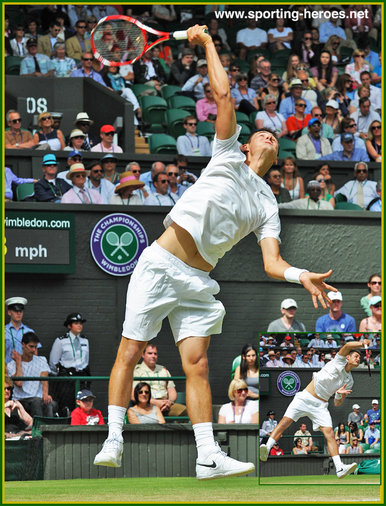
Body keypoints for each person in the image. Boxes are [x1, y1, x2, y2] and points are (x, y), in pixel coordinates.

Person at [93, 24, 338, 480]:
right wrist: (206, 42)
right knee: (130, 350)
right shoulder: (226, 154)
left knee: (199, 363)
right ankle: (113, 438)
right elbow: (224, 98)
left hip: (198, 282)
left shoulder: (268, 203)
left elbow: (271, 262)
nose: (269, 136)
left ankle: (207, 455)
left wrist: (300, 275)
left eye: (274, 137)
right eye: (261, 133)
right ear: (244, 144)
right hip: (160, 265)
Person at [260, 338, 370, 478]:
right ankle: (267, 448)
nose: (358, 359)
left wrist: (338, 395)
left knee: (329, 432)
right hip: (305, 397)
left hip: (321, 405)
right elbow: (348, 344)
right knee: (285, 422)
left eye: (360, 358)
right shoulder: (338, 360)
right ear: (347, 357)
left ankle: (339, 468)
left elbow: (337, 404)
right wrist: (363, 343)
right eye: (356, 356)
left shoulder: (349, 381)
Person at [49, 313, 91, 416]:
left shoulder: (85, 340)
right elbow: (53, 362)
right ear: (69, 326)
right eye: (76, 323)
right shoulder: (61, 341)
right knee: (67, 404)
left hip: (82, 377)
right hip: (67, 378)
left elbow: (86, 360)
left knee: (83, 403)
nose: (79, 325)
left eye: (81, 323)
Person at [7, 332, 57, 417]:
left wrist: (45, 394)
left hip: (38, 398)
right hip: (20, 399)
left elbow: (44, 377)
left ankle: (49, 429)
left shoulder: (41, 360)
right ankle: (37, 428)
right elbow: (19, 383)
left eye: (35, 347)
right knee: (37, 402)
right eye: (31, 346)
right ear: (23, 344)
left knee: (49, 403)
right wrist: (18, 362)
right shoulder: (11, 364)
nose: (34, 350)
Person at [132, 344, 187, 417]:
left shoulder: (163, 370)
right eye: (150, 353)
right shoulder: (137, 371)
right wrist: (155, 403)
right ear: (143, 355)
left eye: (155, 354)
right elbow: (133, 395)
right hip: (147, 405)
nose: (153, 356)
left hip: (166, 405)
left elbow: (172, 391)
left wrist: (169, 402)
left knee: (186, 412)